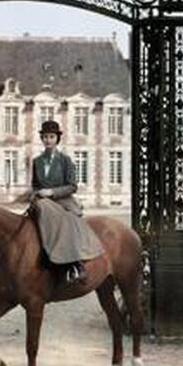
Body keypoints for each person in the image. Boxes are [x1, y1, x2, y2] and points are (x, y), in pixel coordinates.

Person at [29, 120, 103, 283]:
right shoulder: (37, 162)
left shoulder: (65, 160)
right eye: (45, 137)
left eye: (51, 137)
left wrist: (51, 192)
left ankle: (76, 264)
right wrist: (35, 194)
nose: (48, 140)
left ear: (57, 139)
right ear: (42, 139)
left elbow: (72, 186)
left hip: (63, 202)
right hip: (42, 203)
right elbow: (35, 185)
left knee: (64, 219)